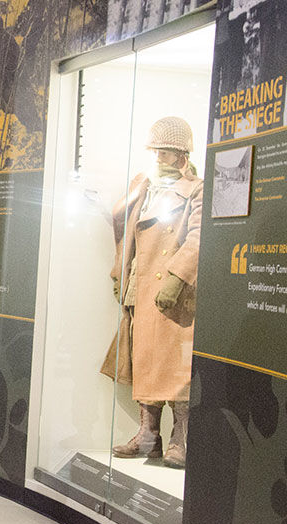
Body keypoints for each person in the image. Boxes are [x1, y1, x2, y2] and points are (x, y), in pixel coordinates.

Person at [101, 117, 203, 469]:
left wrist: (176, 278)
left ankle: (180, 438)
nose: (158, 159)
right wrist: (121, 273)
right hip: (142, 289)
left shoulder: (198, 190)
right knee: (143, 361)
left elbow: (199, 236)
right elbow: (125, 229)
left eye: (165, 153)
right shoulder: (144, 189)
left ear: (182, 157)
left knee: (177, 368)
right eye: (156, 152)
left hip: (176, 296)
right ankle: (148, 434)